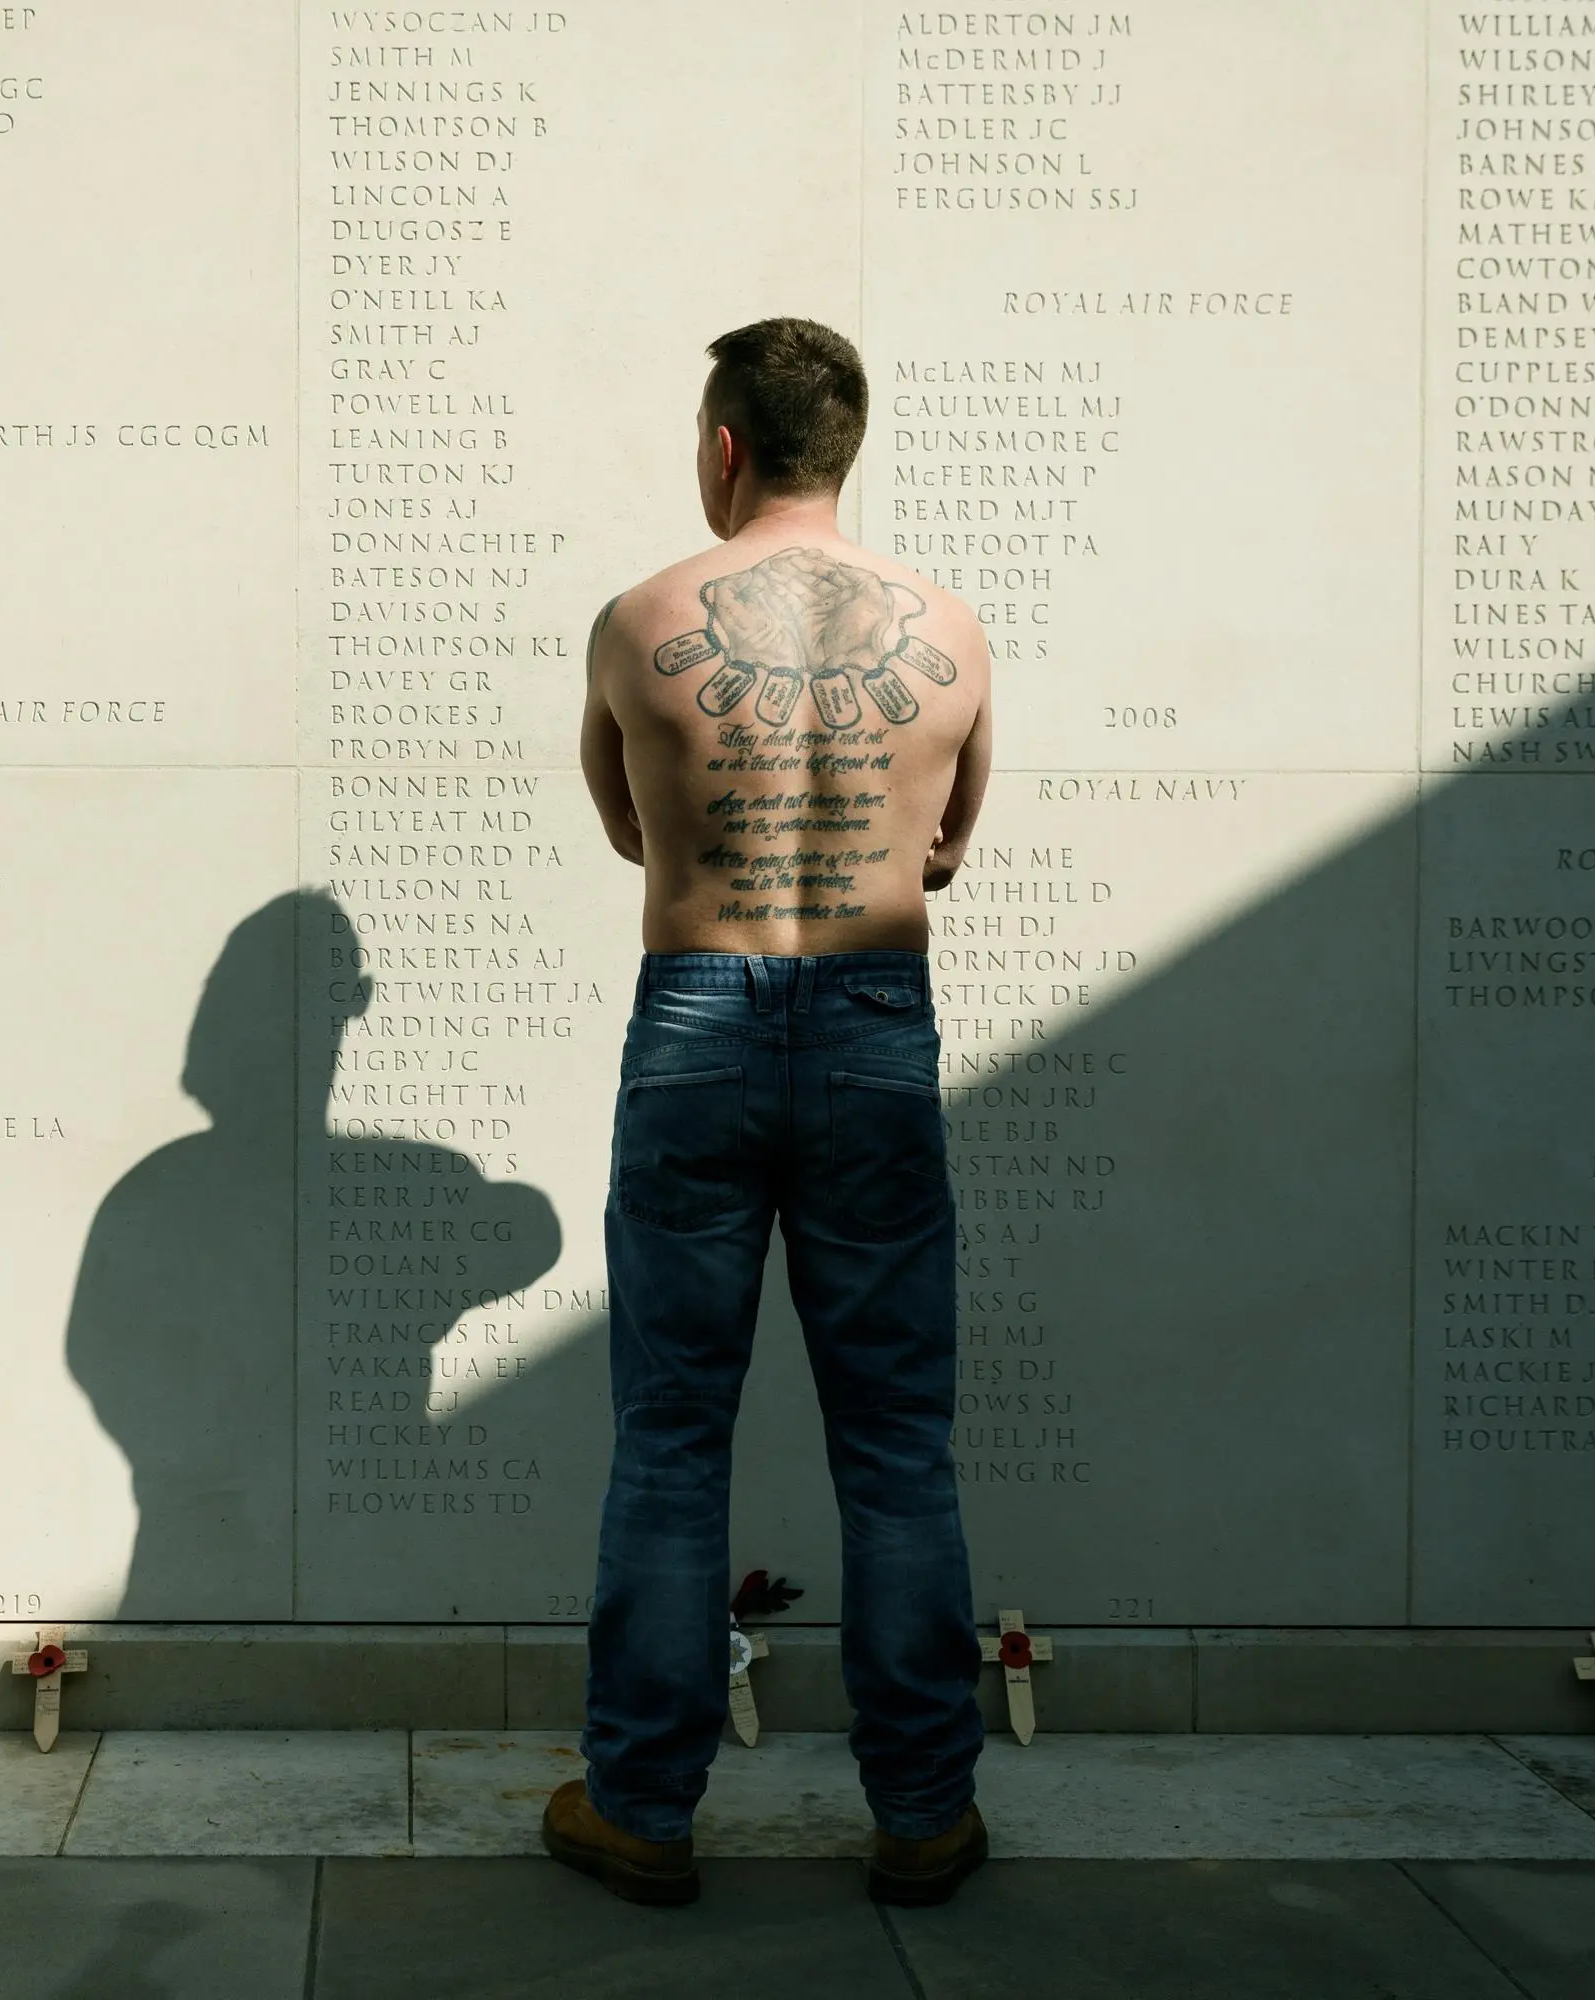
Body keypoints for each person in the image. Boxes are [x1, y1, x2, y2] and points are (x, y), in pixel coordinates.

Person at [541, 317, 994, 1909]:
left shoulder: (637, 621)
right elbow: (944, 844)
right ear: (842, 448)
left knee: (672, 1441)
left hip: (700, 1022)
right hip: (875, 1024)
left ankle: (644, 1812)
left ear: (724, 447)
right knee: (897, 1449)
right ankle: (926, 1815)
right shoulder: (953, 626)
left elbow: (626, 828)